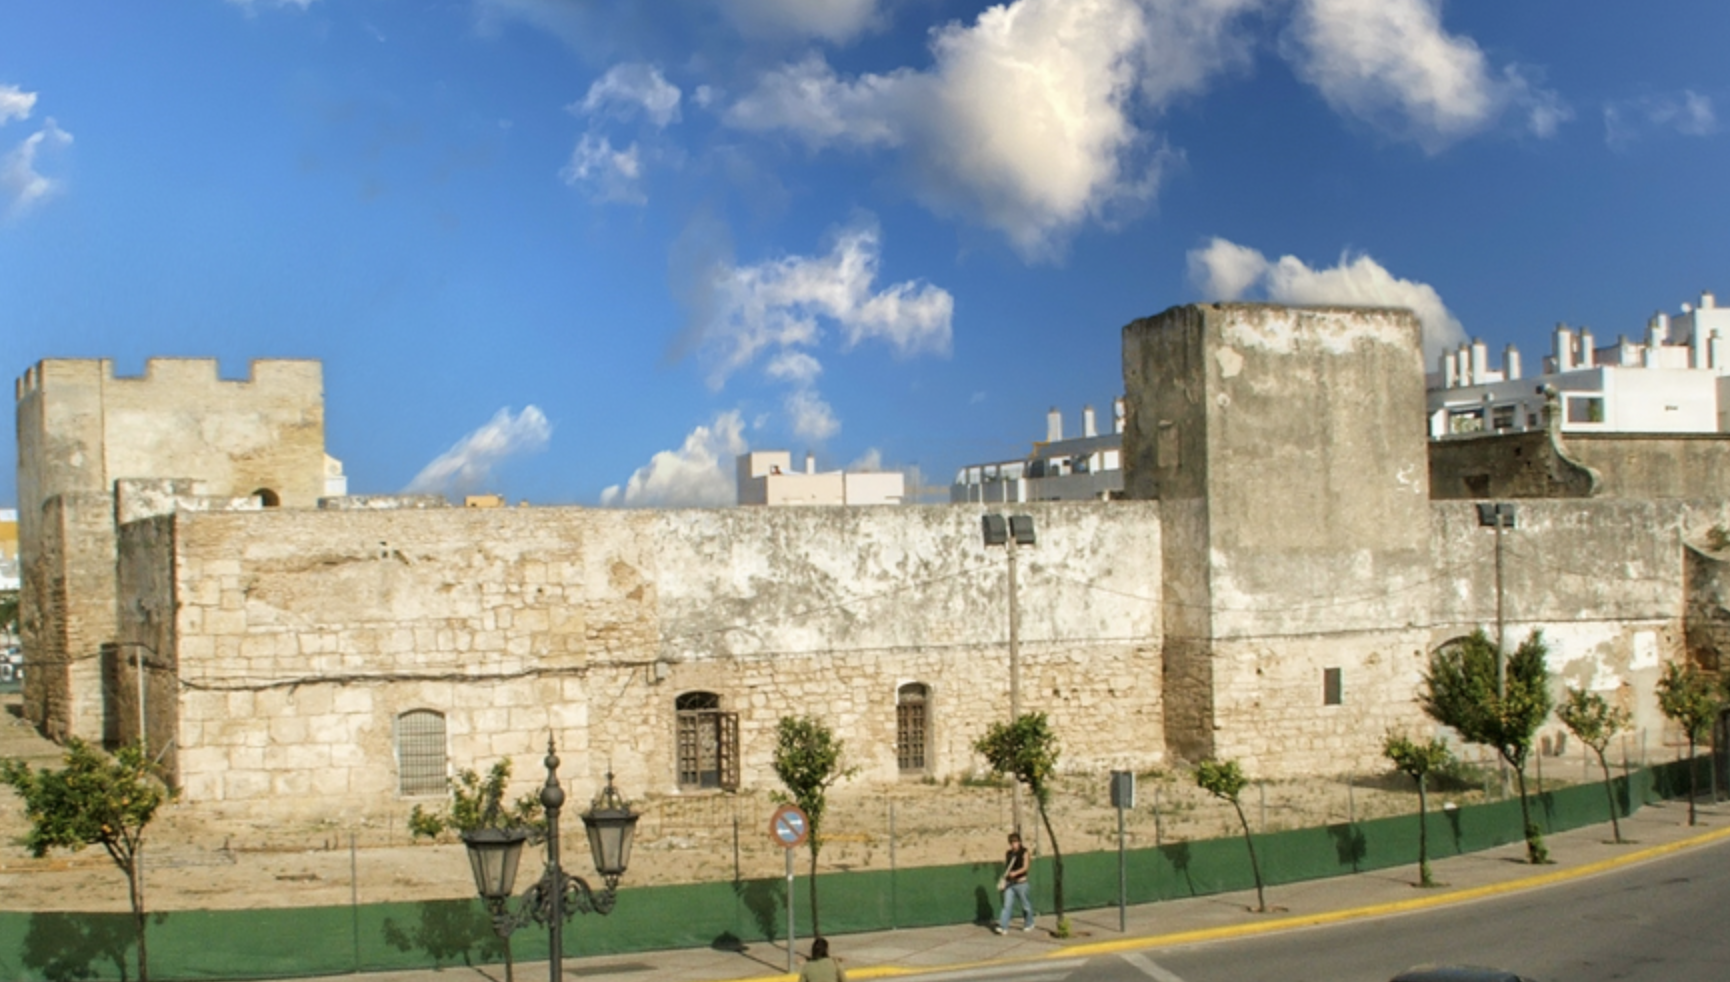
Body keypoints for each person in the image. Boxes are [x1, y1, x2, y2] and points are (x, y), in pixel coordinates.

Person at [994, 831, 1034, 934]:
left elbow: (1026, 867)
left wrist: (1015, 873)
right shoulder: (1009, 854)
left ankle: (1029, 923)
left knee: (1025, 906)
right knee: (1006, 906)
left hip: (1021, 883)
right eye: (1011, 842)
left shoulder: (1024, 852)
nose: (1013, 844)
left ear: (1019, 842)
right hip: (1010, 884)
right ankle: (1003, 927)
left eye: (1015, 842)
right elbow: (1007, 869)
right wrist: (1004, 882)